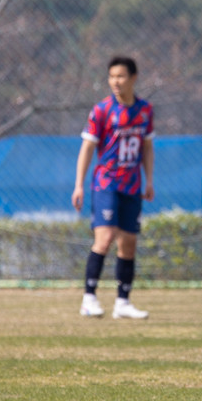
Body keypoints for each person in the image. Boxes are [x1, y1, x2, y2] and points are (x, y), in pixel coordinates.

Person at [72, 55, 155, 320]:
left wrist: (149, 180)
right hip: (106, 184)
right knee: (105, 237)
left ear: (133, 78)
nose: (115, 81)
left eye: (120, 76)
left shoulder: (145, 110)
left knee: (128, 243)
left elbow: (147, 147)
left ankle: (122, 302)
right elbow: (87, 147)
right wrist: (79, 185)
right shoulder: (102, 110)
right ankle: (89, 298)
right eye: (111, 76)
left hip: (132, 186)